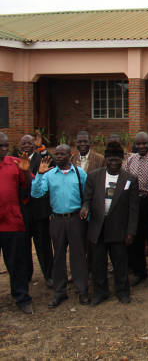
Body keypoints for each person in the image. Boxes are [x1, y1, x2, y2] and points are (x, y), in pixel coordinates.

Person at [31, 144, 90, 307]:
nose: (58, 156)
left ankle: (82, 290)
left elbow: (87, 195)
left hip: (75, 219)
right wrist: (39, 175)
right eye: (56, 154)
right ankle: (59, 291)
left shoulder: (79, 173)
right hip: (56, 220)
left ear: (69, 155)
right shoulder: (49, 175)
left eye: (62, 154)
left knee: (78, 256)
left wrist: (86, 209)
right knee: (58, 257)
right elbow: (36, 193)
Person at [80, 141, 139, 305]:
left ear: (122, 159)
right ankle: (100, 293)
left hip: (119, 228)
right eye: (110, 159)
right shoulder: (94, 176)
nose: (113, 162)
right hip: (98, 227)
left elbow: (134, 209)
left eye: (117, 159)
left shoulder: (130, 179)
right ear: (105, 159)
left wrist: (131, 231)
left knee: (120, 262)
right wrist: (85, 209)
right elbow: (87, 199)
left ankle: (122, 291)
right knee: (98, 263)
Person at [0, 132, 34, 313]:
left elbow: (30, 187)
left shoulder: (15, 163)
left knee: (16, 263)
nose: (4, 149)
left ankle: (22, 298)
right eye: (1, 146)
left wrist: (26, 171)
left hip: (12, 223)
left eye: (6, 146)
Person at [17, 134, 54, 288]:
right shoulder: (15, 160)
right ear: (19, 146)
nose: (26, 145)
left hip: (39, 210)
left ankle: (49, 275)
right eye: (23, 143)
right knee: (23, 245)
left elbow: (51, 160)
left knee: (43, 245)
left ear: (34, 145)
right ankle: (26, 274)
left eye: (29, 142)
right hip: (23, 211)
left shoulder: (41, 158)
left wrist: (42, 149)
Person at [125, 131, 148, 287]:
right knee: (136, 238)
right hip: (134, 202)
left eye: (144, 143)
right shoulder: (131, 159)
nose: (141, 146)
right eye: (138, 143)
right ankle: (140, 271)